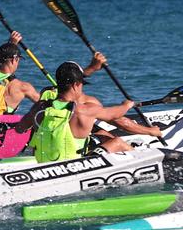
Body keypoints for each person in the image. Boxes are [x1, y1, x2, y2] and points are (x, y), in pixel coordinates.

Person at [16, 61, 144, 162]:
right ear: (75, 85)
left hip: (44, 166)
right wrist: (127, 105)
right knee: (117, 142)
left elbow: (20, 128)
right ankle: (145, 161)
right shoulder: (83, 110)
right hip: (74, 167)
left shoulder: (40, 107)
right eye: (81, 84)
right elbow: (114, 114)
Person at [0, 31, 106, 119]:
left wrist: (10, 44)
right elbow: (51, 104)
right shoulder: (22, 87)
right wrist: (90, 70)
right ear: (14, 60)